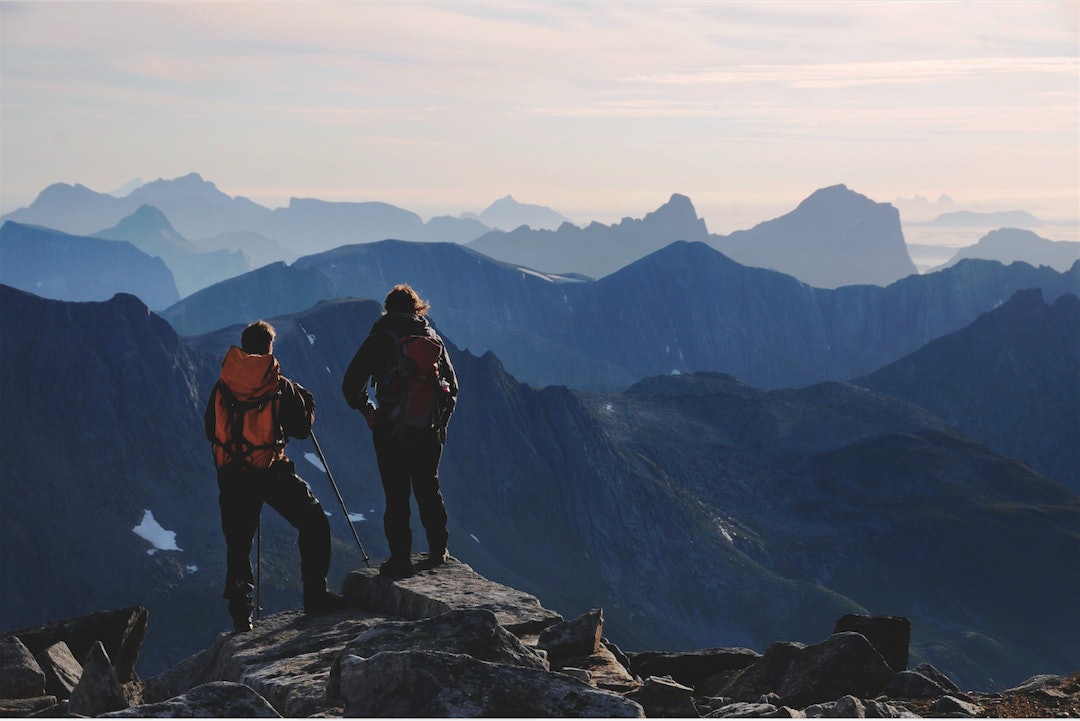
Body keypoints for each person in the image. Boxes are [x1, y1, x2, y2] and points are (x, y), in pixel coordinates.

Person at [205, 320, 346, 632]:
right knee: (313, 521)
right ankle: (315, 595)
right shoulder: (279, 385)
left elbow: (209, 429)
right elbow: (301, 428)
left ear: (243, 347)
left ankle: (242, 617)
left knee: (238, 544)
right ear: (269, 348)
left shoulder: (223, 385)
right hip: (269, 471)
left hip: (232, 475)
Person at [341, 284, 458, 577]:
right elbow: (452, 387)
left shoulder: (378, 340)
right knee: (428, 487)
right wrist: (438, 422)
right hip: (427, 429)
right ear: (418, 308)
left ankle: (400, 559)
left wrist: (368, 410)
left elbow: (350, 384)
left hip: (390, 429)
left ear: (387, 309)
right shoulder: (431, 338)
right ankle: (438, 549)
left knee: (396, 494)